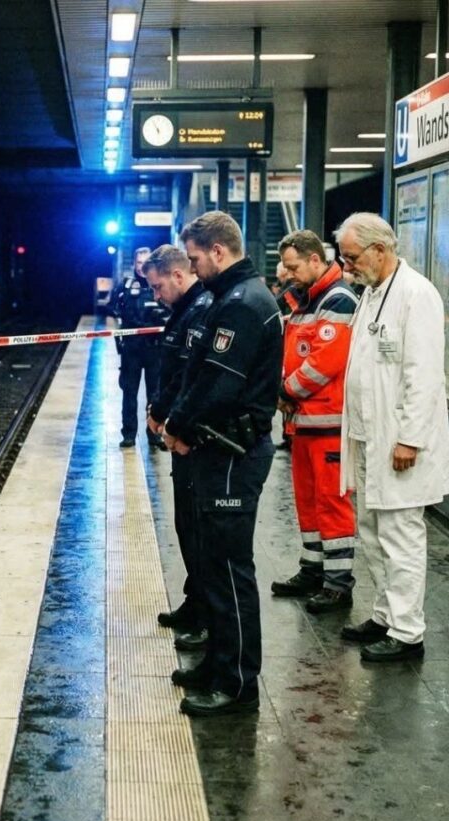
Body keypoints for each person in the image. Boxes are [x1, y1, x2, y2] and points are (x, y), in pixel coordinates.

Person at [163, 211, 283, 717]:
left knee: (230, 570)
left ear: (217, 251)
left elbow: (218, 383)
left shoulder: (242, 304)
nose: (193, 268)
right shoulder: (233, 297)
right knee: (212, 565)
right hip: (220, 448)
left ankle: (236, 684)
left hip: (234, 451)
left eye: (194, 258)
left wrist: (177, 426)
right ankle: (216, 663)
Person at [336, 212, 449, 662]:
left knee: (401, 534)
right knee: (371, 531)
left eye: (352, 257)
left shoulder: (416, 295)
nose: (347, 267)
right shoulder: (371, 293)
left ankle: (407, 632)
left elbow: (423, 377)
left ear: (380, 250)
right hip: (369, 436)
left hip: (400, 443)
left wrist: (409, 440)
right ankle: (385, 614)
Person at [270, 230, 359, 613]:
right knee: (308, 502)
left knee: (332, 503)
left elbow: (325, 361)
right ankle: (313, 569)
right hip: (305, 423)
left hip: (329, 424)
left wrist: (285, 391)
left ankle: (338, 584)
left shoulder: (338, 300)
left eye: (293, 267)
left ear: (314, 260)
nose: (288, 274)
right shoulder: (306, 300)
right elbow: (293, 353)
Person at [143, 244, 214, 645]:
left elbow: (189, 375)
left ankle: (206, 615)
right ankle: (194, 600)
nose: (156, 296)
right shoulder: (184, 310)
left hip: (193, 435)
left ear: (177, 274)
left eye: (158, 287)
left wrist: (163, 412)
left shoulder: (200, 310)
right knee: (186, 523)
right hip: (181, 429)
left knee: (199, 528)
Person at [113, 247, 170, 449]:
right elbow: (114, 308)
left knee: (155, 394)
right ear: (134, 264)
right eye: (139, 263)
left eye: (145, 263)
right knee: (129, 392)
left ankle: (154, 434)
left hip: (155, 348)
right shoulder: (126, 286)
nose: (142, 267)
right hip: (132, 349)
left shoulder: (160, 285)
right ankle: (129, 434)